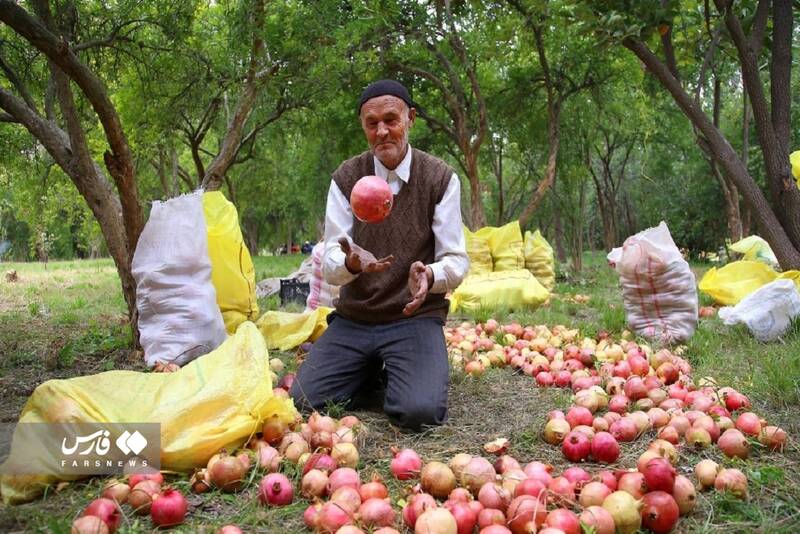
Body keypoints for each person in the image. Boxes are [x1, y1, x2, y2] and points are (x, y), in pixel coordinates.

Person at [289, 79, 469, 430]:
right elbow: (330, 261)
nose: (382, 131)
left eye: (391, 119)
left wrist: (430, 275)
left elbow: (457, 260)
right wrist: (351, 264)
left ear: (410, 118)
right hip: (357, 319)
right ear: (363, 126)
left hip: (412, 318)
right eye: (372, 123)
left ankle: (400, 369)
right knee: (304, 401)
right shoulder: (346, 179)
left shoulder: (440, 179)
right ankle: (372, 367)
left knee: (419, 412)